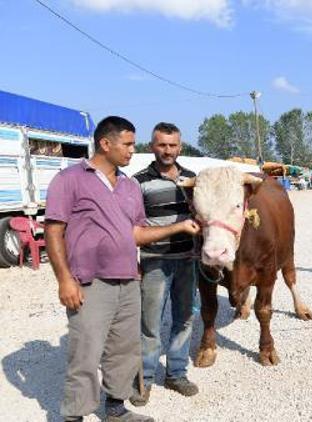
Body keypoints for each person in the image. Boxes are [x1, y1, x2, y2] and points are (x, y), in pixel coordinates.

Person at [45, 116, 200, 422]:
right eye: (127, 144)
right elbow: (53, 231)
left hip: (129, 280)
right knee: (86, 353)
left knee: (124, 350)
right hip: (90, 283)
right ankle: (74, 415)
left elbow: (136, 234)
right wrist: (64, 279)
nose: (132, 150)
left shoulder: (129, 186)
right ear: (105, 143)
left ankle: (116, 409)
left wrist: (180, 226)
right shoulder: (71, 179)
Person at [129, 123, 199, 406]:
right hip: (155, 261)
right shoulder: (138, 182)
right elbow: (131, 226)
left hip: (187, 261)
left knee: (184, 318)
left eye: (172, 145)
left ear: (180, 147)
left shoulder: (193, 179)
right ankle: (144, 377)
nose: (167, 150)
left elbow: (203, 217)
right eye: (162, 145)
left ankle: (176, 373)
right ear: (152, 146)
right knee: (150, 323)